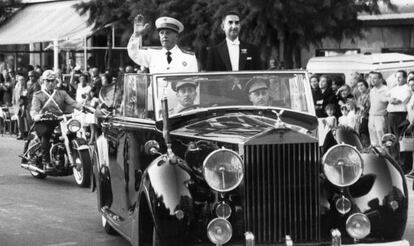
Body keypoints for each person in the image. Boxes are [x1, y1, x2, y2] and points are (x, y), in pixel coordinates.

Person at [29, 70, 83, 168]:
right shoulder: (38, 95)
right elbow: (34, 109)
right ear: (43, 81)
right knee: (46, 134)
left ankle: (70, 155)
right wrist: (36, 115)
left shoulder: (62, 93)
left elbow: (73, 103)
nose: (50, 83)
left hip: (60, 120)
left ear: (56, 82)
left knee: (71, 132)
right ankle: (46, 161)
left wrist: (82, 106)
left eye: (52, 81)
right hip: (43, 121)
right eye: (47, 81)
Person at [127, 16, 198, 73]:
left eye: (168, 32)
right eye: (161, 33)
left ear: (176, 36)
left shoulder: (189, 57)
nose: (164, 36)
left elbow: (193, 83)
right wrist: (136, 35)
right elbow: (133, 53)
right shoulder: (152, 54)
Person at [387, 70, 412, 139]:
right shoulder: (394, 88)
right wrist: (391, 99)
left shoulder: (407, 88)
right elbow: (387, 98)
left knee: (398, 136)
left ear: (405, 78)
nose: (397, 79)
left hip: (399, 115)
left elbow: (396, 101)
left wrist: (392, 99)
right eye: (396, 77)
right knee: (390, 137)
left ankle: (398, 149)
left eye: (399, 77)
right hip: (390, 114)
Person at [368, 72, 389, 146]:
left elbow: (389, 102)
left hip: (380, 116)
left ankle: (384, 155)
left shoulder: (386, 90)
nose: (372, 80)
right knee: (373, 137)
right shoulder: (372, 90)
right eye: (371, 78)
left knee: (381, 136)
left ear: (380, 79)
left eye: (375, 78)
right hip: (371, 116)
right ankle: (375, 154)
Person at [356, 79, 370, 147]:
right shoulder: (359, 97)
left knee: (366, 138)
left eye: (362, 85)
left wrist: (363, 108)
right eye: (358, 86)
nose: (360, 87)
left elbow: (369, 107)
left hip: (367, 118)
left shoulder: (369, 95)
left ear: (366, 86)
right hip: (360, 120)